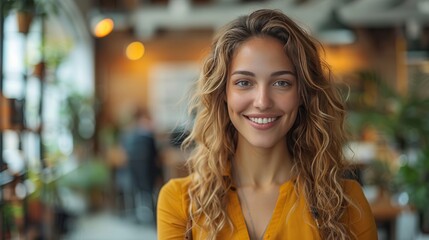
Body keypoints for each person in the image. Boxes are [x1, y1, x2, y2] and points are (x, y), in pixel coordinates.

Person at [157, 9, 377, 240]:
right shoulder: (181, 201)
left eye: (281, 83)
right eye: (244, 82)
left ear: (303, 94)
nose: (262, 102)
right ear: (224, 93)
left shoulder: (346, 203)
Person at [120, 107, 160, 222]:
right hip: (149, 178)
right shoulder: (149, 137)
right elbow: (156, 155)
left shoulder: (130, 137)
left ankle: (139, 212)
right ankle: (155, 211)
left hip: (135, 179)